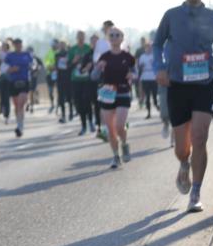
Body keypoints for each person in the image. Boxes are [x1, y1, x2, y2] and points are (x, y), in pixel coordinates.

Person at [154, 0, 213, 213]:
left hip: (204, 84)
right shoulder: (171, 16)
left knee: (200, 136)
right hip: (177, 85)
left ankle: (196, 193)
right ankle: (183, 164)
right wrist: (159, 68)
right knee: (183, 147)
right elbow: (158, 42)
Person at [93, 28, 137, 168]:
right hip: (107, 94)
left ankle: (124, 144)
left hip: (123, 92)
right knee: (110, 130)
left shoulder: (128, 56)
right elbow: (93, 77)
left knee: (119, 125)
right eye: (111, 35)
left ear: (122, 38)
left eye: (117, 35)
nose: (114, 37)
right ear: (107, 38)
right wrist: (98, 68)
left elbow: (136, 74)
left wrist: (133, 76)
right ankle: (115, 156)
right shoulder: (104, 56)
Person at [2, 39, 33, 137]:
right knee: (16, 106)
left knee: (20, 104)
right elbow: (3, 69)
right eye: (16, 44)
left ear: (22, 45)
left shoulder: (27, 55)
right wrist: (11, 69)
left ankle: (20, 127)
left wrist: (33, 68)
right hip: (13, 82)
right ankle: (19, 123)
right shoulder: (10, 56)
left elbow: (34, 64)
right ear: (14, 45)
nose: (18, 46)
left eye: (20, 44)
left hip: (24, 82)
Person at [68, 31, 95, 135]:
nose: (80, 38)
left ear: (84, 38)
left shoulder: (88, 48)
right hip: (75, 80)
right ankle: (83, 125)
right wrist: (74, 61)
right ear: (76, 38)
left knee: (86, 101)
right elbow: (67, 66)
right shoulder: (72, 50)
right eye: (79, 37)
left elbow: (93, 61)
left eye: (82, 37)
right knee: (78, 103)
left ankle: (90, 122)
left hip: (87, 79)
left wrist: (88, 64)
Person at [137, 41, 159, 119]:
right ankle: (149, 112)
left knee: (154, 94)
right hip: (145, 77)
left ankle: (156, 105)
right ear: (145, 48)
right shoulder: (142, 56)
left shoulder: (154, 56)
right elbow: (139, 66)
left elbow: (158, 65)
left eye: (150, 47)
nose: (149, 49)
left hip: (153, 77)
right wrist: (141, 67)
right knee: (147, 96)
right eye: (147, 47)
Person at [54, 39, 73, 123]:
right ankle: (63, 115)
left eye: (63, 44)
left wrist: (67, 64)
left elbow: (71, 64)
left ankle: (71, 112)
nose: (61, 46)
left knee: (69, 97)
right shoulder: (57, 54)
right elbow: (56, 66)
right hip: (60, 78)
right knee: (61, 97)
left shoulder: (69, 53)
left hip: (68, 78)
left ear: (66, 45)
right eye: (60, 44)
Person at [44, 42, 58, 112]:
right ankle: (52, 104)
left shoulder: (59, 52)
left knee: (59, 90)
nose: (54, 46)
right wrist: (50, 66)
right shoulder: (48, 53)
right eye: (53, 45)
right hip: (50, 73)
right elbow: (46, 62)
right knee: (50, 91)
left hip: (58, 73)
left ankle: (59, 105)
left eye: (55, 45)